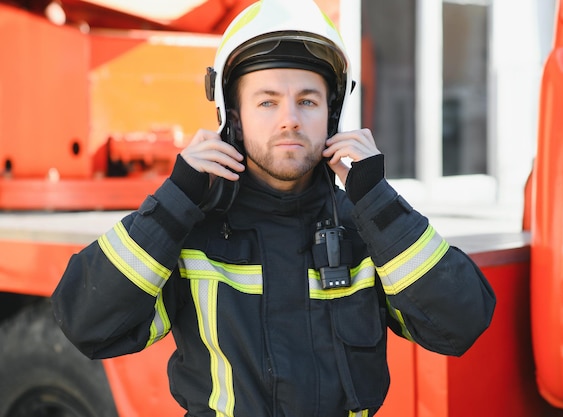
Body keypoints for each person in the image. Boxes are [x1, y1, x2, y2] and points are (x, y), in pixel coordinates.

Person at [51, 0, 496, 416]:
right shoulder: (191, 232)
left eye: (307, 100)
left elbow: (460, 323)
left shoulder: (369, 230)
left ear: (332, 116)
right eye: (267, 101)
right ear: (234, 118)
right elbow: (87, 322)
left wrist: (376, 199)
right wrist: (174, 201)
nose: (290, 119)